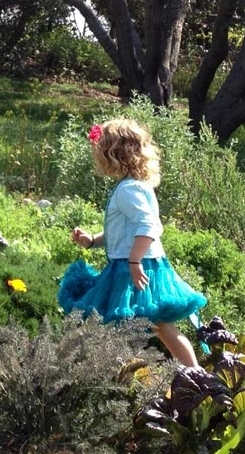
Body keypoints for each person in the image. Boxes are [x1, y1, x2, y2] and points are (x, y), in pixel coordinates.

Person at [57, 118, 206, 367]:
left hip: (133, 268)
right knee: (159, 325)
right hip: (143, 264)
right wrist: (92, 240)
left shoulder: (128, 190)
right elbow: (128, 232)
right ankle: (192, 372)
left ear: (112, 154)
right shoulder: (138, 186)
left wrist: (134, 260)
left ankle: (125, 374)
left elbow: (148, 226)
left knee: (121, 322)